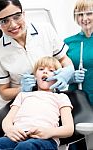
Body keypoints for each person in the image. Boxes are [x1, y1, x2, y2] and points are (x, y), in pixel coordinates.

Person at [0, 0, 74, 138]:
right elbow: (4, 93)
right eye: (4, 21)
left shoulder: (45, 30)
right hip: (13, 108)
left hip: (44, 104)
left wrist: (69, 70)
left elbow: (63, 59)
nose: (13, 25)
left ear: (24, 14)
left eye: (16, 16)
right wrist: (21, 89)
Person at [64, 0, 93, 149]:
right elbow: (58, 71)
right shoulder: (68, 43)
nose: (84, 18)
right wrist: (71, 76)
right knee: (78, 143)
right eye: (80, 14)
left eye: (89, 13)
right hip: (78, 102)